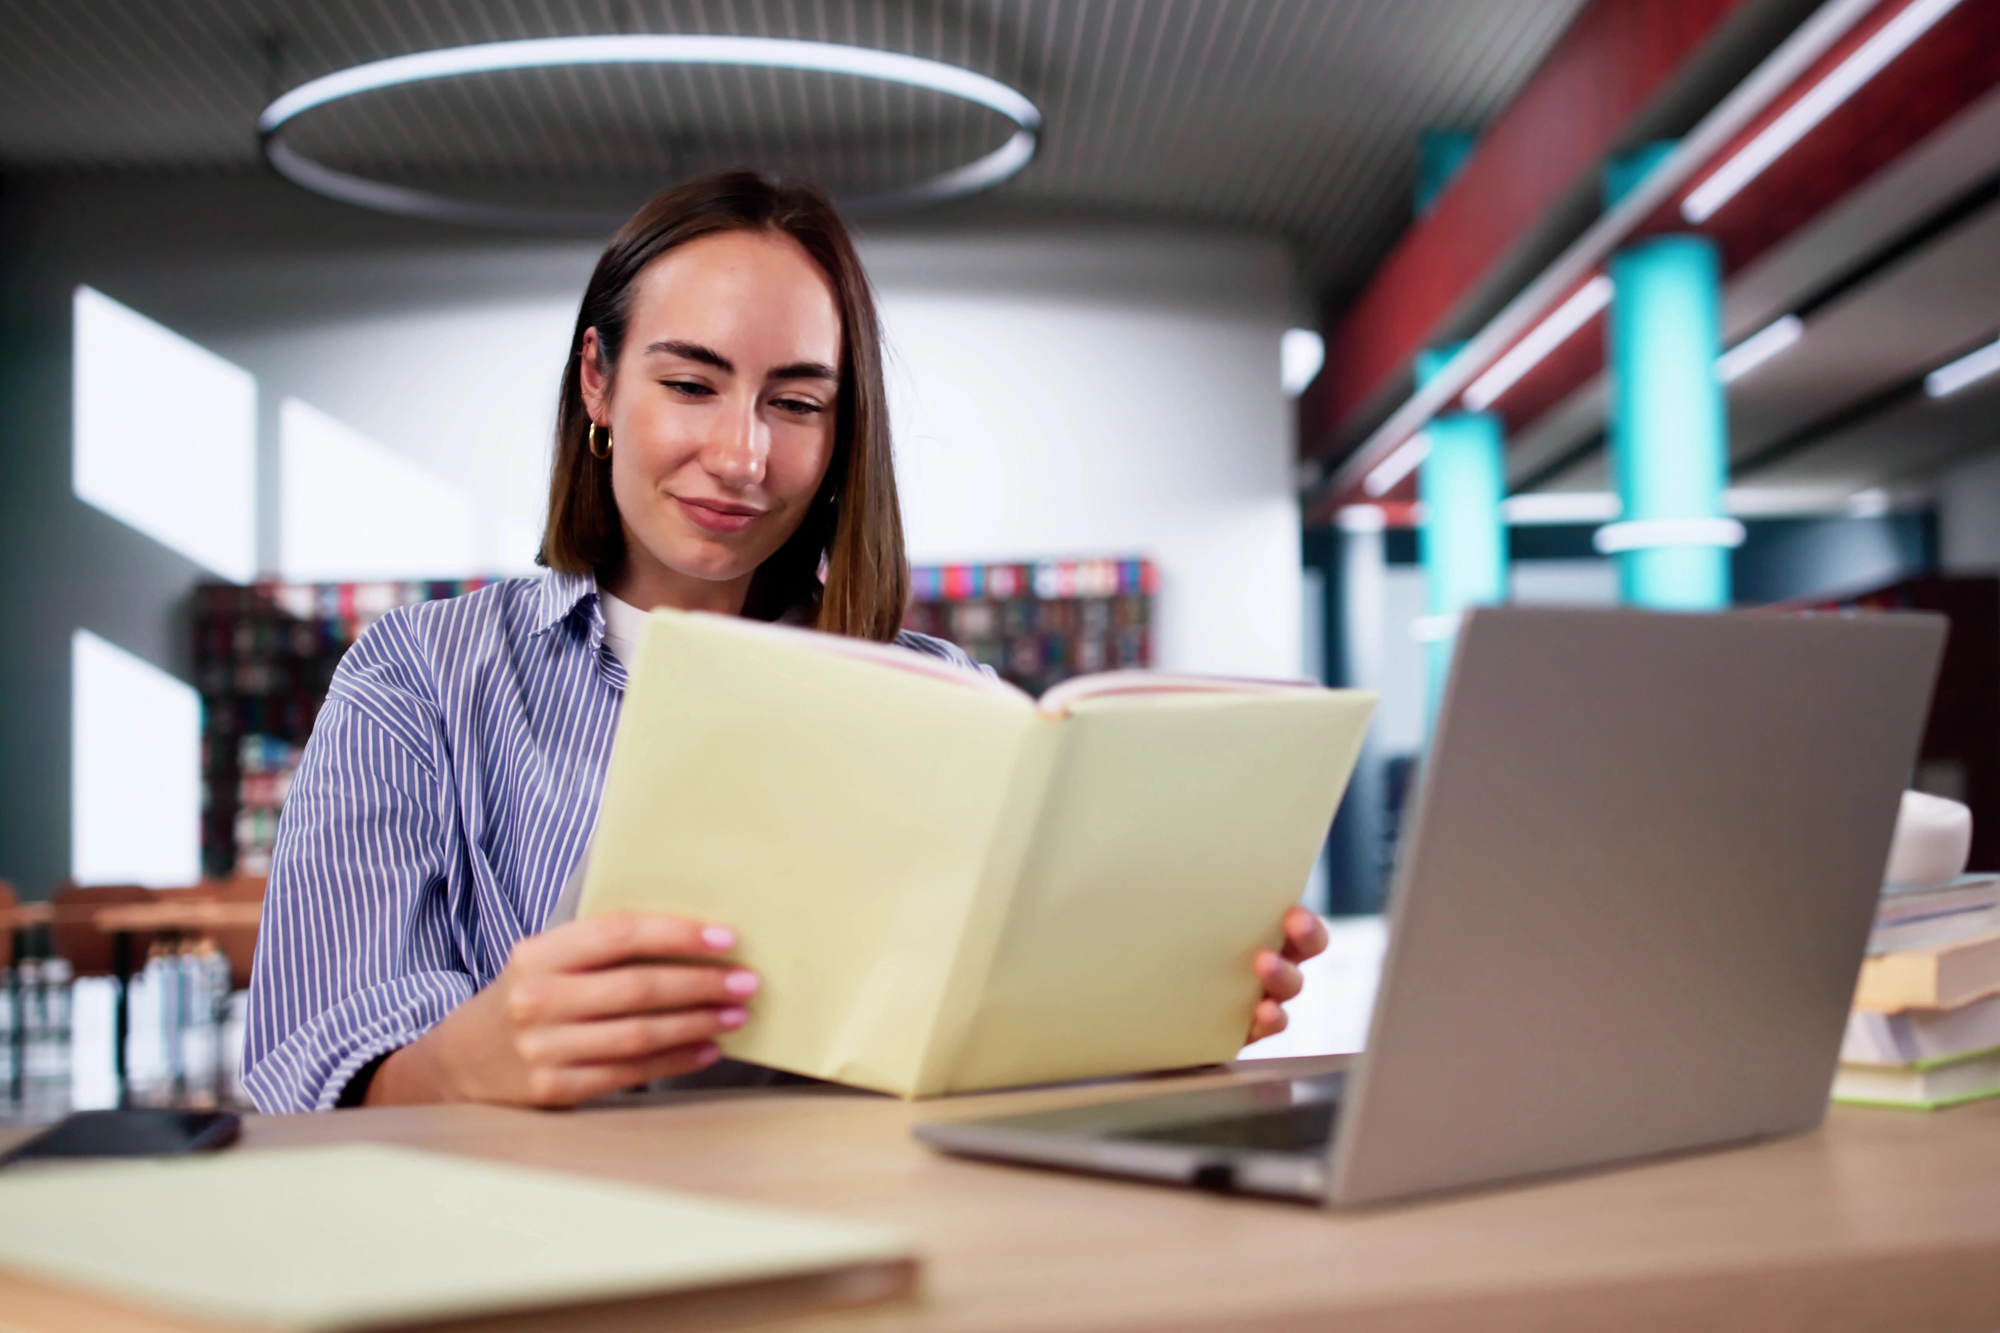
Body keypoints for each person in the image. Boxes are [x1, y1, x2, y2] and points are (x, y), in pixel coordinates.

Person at [243, 171, 1328, 1113]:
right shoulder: (418, 682)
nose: (742, 453)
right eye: (689, 385)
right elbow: (308, 1068)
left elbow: (997, 1062)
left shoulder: (947, 704)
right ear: (597, 383)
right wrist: (461, 1062)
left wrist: (1157, 1001)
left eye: (796, 402)